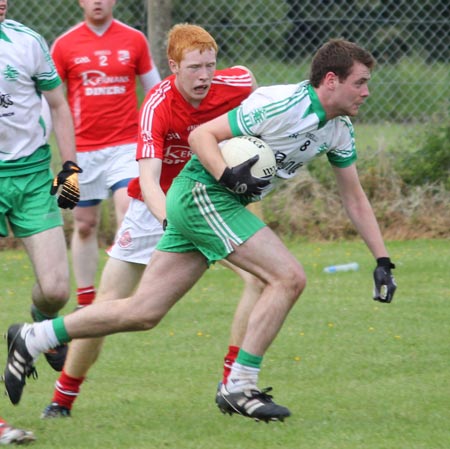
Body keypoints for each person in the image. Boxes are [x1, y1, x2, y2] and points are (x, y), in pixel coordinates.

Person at [4, 38, 397, 423]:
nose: (367, 91)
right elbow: (199, 136)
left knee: (144, 312)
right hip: (201, 194)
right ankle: (239, 385)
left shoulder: (338, 128)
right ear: (331, 80)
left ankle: (34, 337)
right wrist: (230, 176)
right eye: (360, 82)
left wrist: (381, 258)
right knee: (287, 277)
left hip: (209, 201)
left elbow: (355, 198)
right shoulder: (286, 105)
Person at [40, 23, 260, 418]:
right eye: (195, 67)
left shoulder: (235, 83)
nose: (205, 76)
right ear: (173, 66)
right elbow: (148, 181)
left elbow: (254, 88)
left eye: (210, 65)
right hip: (152, 210)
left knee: (263, 279)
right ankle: (62, 398)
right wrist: (170, 221)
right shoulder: (157, 105)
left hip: (214, 200)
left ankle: (234, 383)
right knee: (112, 304)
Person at [51, 0, 160, 309]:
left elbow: (154, 91)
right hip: (82, 151)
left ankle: (115, 295)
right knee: (85, 224)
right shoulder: (64, 45)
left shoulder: (134, 39)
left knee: (128, 210)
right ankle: (86, 300)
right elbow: (51, 99)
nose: (97, 1)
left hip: (126, 146)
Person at [0, 0, 80, 375]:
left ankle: (36, 326)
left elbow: (59, 106)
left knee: (56, 291)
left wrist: (69, 170)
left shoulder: (27, 41)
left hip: (32, 174)